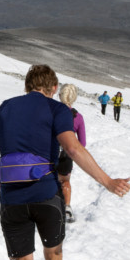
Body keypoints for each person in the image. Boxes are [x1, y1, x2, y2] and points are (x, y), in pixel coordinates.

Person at [0, 64, 130, 260]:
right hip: (46, 194)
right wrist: (108, 182)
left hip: (12, 199)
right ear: (54, 87)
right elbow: (73, 148)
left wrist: (5, 187)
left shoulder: (4, 108)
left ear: (27, 86)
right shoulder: (57, 109)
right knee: (54, 254)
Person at [57, 84, 86, 223]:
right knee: (65, 181)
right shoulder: (78, 117)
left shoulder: (50, 111)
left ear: (59, 95)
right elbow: (82, 143)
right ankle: (67, 207)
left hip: (47, 152)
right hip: (65, 154)